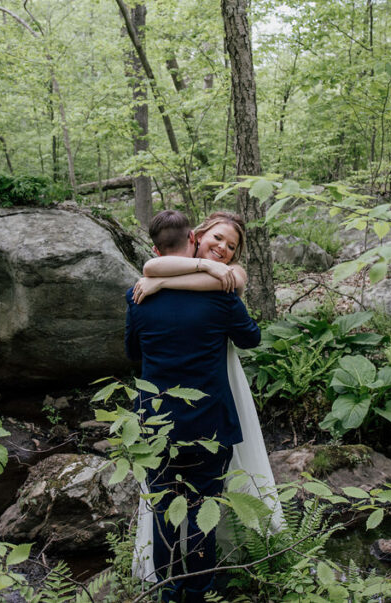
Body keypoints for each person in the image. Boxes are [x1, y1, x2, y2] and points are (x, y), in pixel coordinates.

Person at [130, 211, 284, 589]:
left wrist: (162, 287)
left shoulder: (139, 294)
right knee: (203, 516)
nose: (224, 249)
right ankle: (197, 592)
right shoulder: (224, 299)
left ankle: (166, 592)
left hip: (157, 422)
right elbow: (250, 338)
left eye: (231, 246)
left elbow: (134, 354)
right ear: (196, 237)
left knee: (164, 513)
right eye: (218, 238)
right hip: (209, 425)